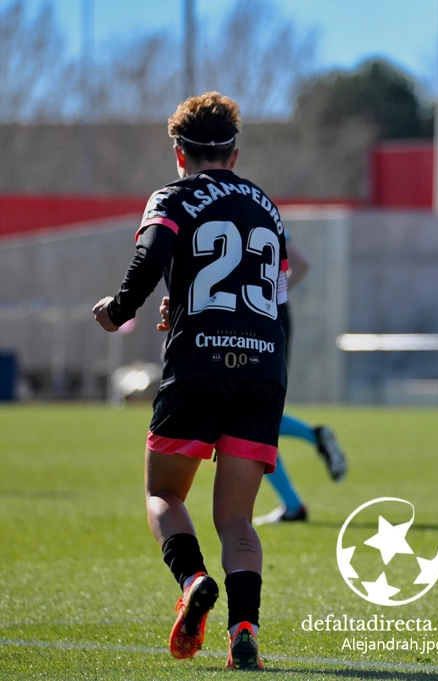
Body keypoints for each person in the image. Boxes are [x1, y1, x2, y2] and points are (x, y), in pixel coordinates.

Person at [93, 92, 286, 669]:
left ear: (180, 153)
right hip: (262, 368)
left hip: (198, 366)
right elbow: (272, 296)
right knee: (237, 519)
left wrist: (119, 307)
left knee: (164, 494)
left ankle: (194, 579)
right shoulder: (267, 206)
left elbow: (152, 256)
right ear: (234, 151)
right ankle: (243, 632)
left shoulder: (173, 195)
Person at [155, 237, 348, 527]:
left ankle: (294, 498)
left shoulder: (230, 210)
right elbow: (299, 263)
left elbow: (300, 263)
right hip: (265, 320)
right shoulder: (261, 212)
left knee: (248, 416)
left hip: (240, 322)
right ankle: (300, 482)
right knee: (253, 411)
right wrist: (272, 299)